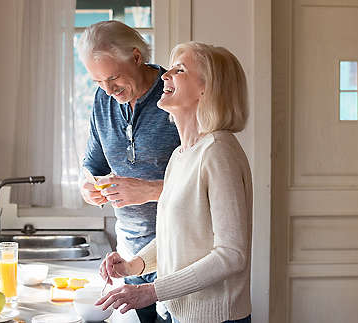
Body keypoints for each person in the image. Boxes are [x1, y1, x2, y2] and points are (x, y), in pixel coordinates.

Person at [95, 41, 253, 323]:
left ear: (207, 88)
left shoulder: (219, 151)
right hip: (176, 312)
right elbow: (176, 237)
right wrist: (132, 266)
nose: (165, 75)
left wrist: (153, 291)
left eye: (179, 70)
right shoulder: (181, 155)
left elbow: (232, 255)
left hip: (214, 318)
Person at [77, 21, 180, 323]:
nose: (108, 90)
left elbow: (203, 181)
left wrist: (149, 190)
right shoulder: (102, 101)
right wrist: (88, 187)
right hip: (130, 255)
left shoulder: (176, 95)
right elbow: (93, 165)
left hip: (177, 253)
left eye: (113, 78)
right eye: (98, 82)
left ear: (136, 57)